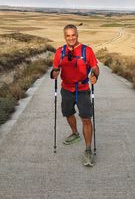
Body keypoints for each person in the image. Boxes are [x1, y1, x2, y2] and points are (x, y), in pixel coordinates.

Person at [51, 24, 99, 166]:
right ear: (64, 36)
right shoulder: (60, 52)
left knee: (86, 119)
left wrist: (95, 75)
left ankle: (88, 150)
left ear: (77, 35)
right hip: (66, 89)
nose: (71, 38)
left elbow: (95, 67)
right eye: (68, 35)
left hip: (83, 89)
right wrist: (54, 73)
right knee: (68, 113)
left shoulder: (87, 51)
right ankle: (75, 133)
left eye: (73, 35)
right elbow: (55, 68)